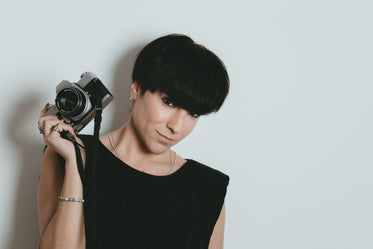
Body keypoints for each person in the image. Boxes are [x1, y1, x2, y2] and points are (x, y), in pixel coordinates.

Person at [37, 34, 230, 249]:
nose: (176, 126)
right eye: (169, 102)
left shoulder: (206, 188)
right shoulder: (67, 153)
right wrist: (76, 165)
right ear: (136, 88)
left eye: (193, 114)